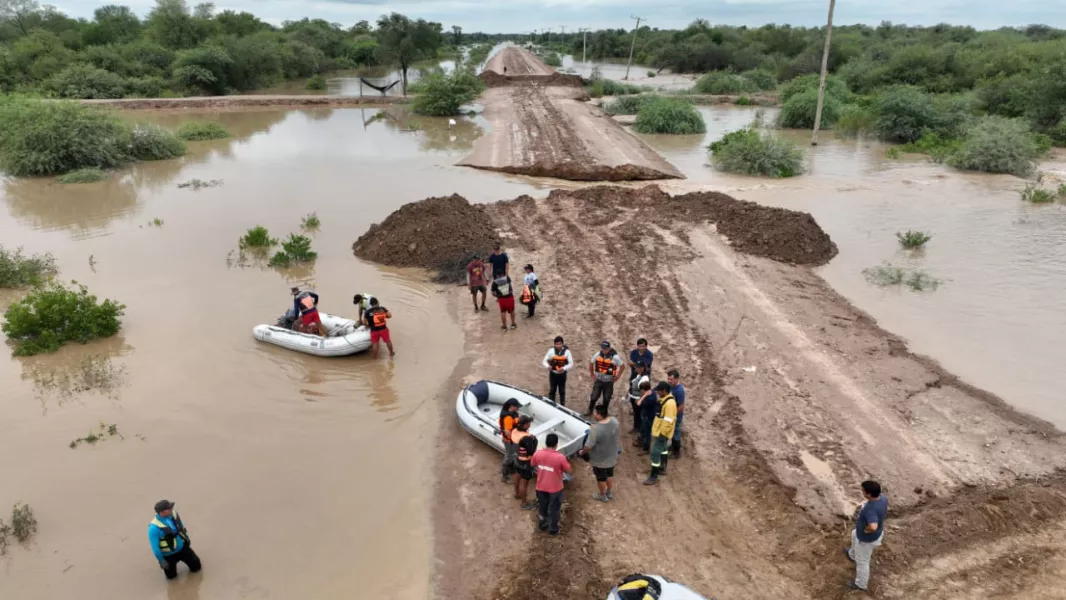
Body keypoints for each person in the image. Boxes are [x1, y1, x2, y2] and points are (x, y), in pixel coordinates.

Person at [846, 480, 888, 592]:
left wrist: (866, 530)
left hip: (867, 540)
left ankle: (861, 584)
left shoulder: (871, 509)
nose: (862, 492)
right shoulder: (883, 499)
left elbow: (873, 526)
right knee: (854, 534)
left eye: (863, 491)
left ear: (868, 494)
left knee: (862, 562)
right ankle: (852, 554)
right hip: (873, 534)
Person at [149, 500, 201, 580]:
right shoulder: (153, 528)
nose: (171, 509)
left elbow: (181, 526)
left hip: (182, 548)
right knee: (171, 578)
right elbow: (155, 548)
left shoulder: (173, 514)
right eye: (168, 508)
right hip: (168, 555)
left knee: (197, 567)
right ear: (161, 512)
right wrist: (161, 561)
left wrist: (186, 539)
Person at [531, 433, 571, 535]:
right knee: (554, 509)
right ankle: (553, 529)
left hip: (541, 487)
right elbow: (569, 470)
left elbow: (532, 464)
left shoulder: (537, 454)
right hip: (555, 489)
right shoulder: (560, 457)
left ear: (546, 443)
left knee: (542, 507)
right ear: (556, 444)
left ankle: (542, 524)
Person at [579, 405, 621, 502]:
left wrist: (582, 452)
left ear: (599, 415)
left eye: (595, 413)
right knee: (609, 474)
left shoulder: (596, 429)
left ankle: (603, 495)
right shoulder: (614, 421)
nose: (593, 414)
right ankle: (609, 492)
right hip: (611, 456)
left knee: (601, 478)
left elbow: (588, 446)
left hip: (600, 459)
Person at [644, 381, 677, 486]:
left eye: (659, 390)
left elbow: (668, 421)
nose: (657, 392)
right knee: (663, 449)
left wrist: (662, 434)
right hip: (661, 431)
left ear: (665, 391)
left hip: (662, 433)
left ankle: (654, 476)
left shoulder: (670, 404)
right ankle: (662, 468)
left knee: (654, 453)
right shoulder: (665, 399)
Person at [588, 341, 625, 415]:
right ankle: (590, 410)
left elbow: (622, 366)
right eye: (603, 348)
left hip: (608, 381)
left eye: (606, 349)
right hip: (598, 380)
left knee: (606, 398)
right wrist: (592, 374)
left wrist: (617, 377)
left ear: (609, 348)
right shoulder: (598, 354)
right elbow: (591, 363)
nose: (604, 350)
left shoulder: (614, 357)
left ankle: (604, 414)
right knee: (594, 396)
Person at [511, 416, 538, 510]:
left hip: (517, 458)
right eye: (529, 423)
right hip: (525, 462)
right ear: (525, 425)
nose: (530, 424)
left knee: (517, 475)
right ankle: (524, 504)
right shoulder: (526, 438)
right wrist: (534, 440)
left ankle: (516, 493)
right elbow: (531, 451)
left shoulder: (514, 431)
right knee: (524, 483)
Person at [542, 336, 573, 405]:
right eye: (557, 344)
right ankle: (550, 404)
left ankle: (563, 405)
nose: (558, 345)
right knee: (552, 390)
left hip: (562, 375)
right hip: (553, 374)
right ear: (554, 344)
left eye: (560, 344)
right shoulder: (551, 351)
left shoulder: (567, 352)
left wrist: (564, 368)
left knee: (562, 391)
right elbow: (544, 361)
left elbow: (571, 364)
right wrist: (548, 366)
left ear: (562, 344)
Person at [498, 398, 521, 483]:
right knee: (509, 456)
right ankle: (504, 476)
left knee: (511, 455)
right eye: (516, 406)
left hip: (512, 440)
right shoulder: (507, 418)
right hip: (509, 441)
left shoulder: (513, 413)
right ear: (511, 406)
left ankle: (511, 470)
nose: (518, 408)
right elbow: (508, 433)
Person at [627, 362, 650, 434]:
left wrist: (640, 399)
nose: (636, 368)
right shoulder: (636, 374)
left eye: (638, 367)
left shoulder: (645, 378)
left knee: (639, 414)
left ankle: (640, 429)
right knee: (636, 413)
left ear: (643, 368)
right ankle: (636, 427)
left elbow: (644, 391)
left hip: (638, 399)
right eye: (636, 367)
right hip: (633, 397)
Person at [667, 369, 686, 458]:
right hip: (672, 414)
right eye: (668, 379)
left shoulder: (679, 391)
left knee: (676, 432)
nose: (669, 381)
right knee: (673, 431)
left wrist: (674, 415)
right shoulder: (671, 386)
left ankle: (676, 452)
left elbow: (681, 406)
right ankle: (673, 446)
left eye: (671, 379)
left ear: (677, 379)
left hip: (676, 416)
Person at [636, 379, 657, 452]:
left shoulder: (650, 399)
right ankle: (641, 442)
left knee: (647, 433)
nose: (641, 392)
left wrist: (644, 396)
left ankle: (646, 448)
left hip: (648, 417)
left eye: (641, 390)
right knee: (643, 430)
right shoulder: (653, 393)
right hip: (647, 416)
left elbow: (638, 403)